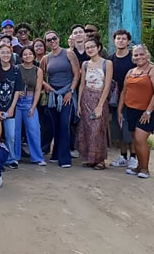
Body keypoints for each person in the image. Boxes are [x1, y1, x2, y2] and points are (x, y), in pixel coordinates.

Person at [117, 45, 154, 179]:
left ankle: (145, 169)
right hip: (132, 110)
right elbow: (124, 91)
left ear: (147, 55)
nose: (139, 57)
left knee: (140, 138)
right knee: (135, 139)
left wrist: (148, 111)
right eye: (136, 55)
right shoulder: (131, 72)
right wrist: (120, 110)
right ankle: (139, 166)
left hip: (150, 111)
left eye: (141, 54)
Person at [39, 30, 80, 168]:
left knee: (64, 124)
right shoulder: (46, 58)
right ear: (46, 43)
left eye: (54, 38)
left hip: (67, 92)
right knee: (55, 125)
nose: (52, 41)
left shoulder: (69, 53)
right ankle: (55, 154)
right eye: (49, 40)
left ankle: (64, 158)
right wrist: (45, 85)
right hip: (53, 95)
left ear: (58, 38)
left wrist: (71, 91)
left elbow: (77, 74)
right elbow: (40, 75)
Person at [76, 36, 113, 169]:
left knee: (98, 130)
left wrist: (100, 105)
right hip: (86, 98)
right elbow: (82, 84)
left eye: (92, 47)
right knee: (86, 129)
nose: (90, 49)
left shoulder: (107, 63)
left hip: (99, 98)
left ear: (98, 48)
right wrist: (79, 104)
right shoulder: (85, 64)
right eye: (87, 48)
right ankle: (90, 159)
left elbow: (107, 85)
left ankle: (100, 160)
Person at [0, 43, 24, 169]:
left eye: (8, 52)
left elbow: (17, 91)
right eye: (3, 52)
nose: (6, 55)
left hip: (10, 108)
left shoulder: (16, 71)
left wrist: (12, 108)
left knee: (10, 136)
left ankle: (11, 158)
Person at [108, 29, 137, 169]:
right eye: (118, 38)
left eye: (123, 39)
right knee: (118, 128)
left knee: (129, 129)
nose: (120, 41)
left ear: (128, 41)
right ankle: (123, 156)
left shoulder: (133, 59)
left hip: (131, 99)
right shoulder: (110, 59)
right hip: (114, 99)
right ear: (114, 41)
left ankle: (134, 157)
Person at [16, 47, 45, 165]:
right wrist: (17, 93)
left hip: (30, 101)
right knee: (15, 131)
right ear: (21, 57)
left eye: (30, 54)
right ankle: (15, 156)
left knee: (34, 129)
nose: (27, 56)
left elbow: (38, 90)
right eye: (25, 54)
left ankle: (37, 157)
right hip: (17, 102)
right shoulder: (17, 68)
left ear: (33, 56)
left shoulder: (38, 70)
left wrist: (33, 106)